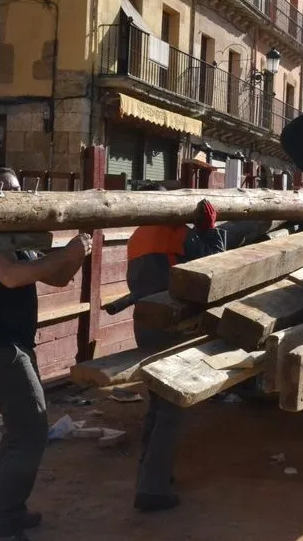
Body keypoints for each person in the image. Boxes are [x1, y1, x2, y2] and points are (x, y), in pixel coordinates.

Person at [0, 168, 93, 540]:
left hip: (13, 346)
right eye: (1, 191)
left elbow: (55, 276)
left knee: (20, 432)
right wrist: (63, 255)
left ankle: (3, 514)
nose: (11, 195)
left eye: (16, 190)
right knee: (32, 430)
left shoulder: (17, 239)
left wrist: (77, 254)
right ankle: (3, 523)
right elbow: (11, 276)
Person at [127, 198, 226, 513]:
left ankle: (152, 474)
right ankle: (152, 489)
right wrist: (210, 231)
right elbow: (217, 267)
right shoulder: (178, 234)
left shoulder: (138, 234)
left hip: (145, 323)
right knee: (172, 409)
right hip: (171, 323)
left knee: (157, 404)